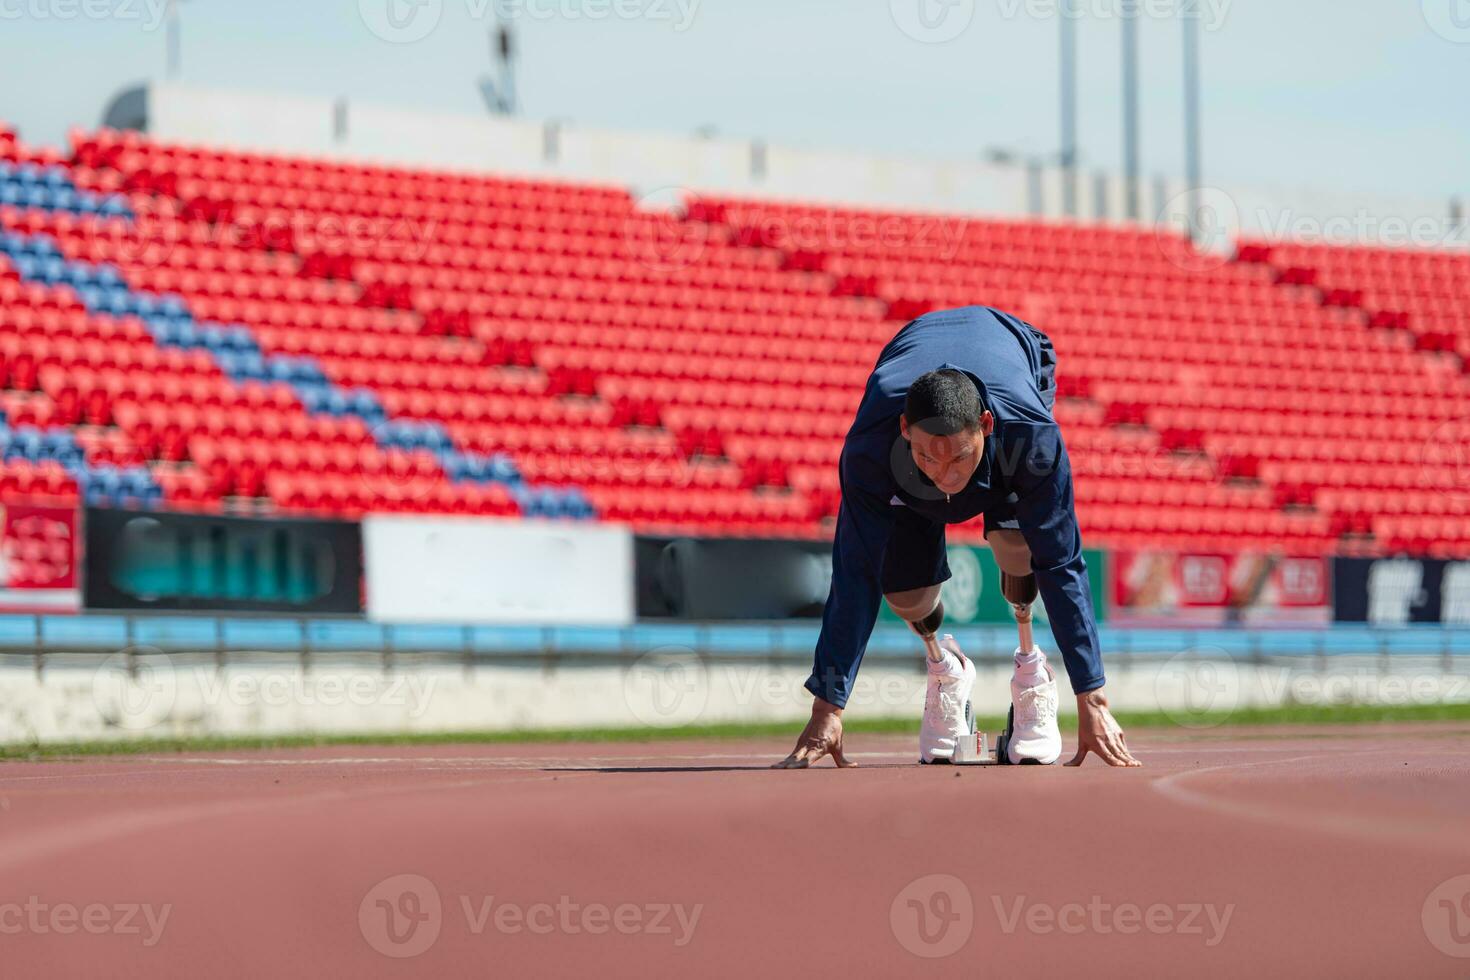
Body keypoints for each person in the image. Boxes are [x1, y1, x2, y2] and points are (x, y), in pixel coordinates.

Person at [773, 305, 1141, 769]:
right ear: (905, 430)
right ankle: (947, 673)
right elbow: (854, 572)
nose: (946, 475)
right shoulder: (871, 447)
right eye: (930, 457)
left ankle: (1032, 674)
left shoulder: (1031, 438)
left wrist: (1093, 699)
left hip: (1011, 361)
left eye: (959, 458)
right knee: (906, 595)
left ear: (985, 425)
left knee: (1021, 551)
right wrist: (827, 707)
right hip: (910, 394)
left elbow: (1063, 562)